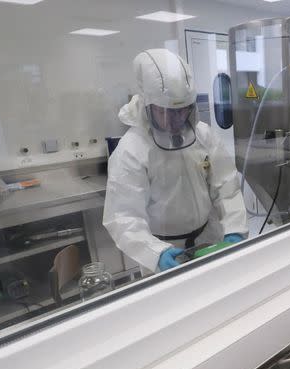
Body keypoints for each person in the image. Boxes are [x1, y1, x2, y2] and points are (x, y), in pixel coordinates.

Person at [104, 48, 247, 273]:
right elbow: (124, 216)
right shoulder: (132, 150)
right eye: (166, 111)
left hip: (209, 241)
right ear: (147, 103)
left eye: (181, 111)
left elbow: (226, 187)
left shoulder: (203, 135)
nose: (175, 120)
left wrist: (234, 229)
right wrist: (156, 253)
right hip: (163, 253)